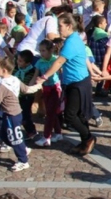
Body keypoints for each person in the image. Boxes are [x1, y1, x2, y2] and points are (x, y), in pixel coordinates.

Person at [35, 13, 96, 155]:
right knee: (78, 116)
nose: (58, 29)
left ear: (69, 26)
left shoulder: (72, 41)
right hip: (72, 82)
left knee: (70, 116)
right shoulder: (72, 39)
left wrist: (44, 76)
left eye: (60, 26)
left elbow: (59, 61)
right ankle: (84, 141)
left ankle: (88, 138)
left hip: (78, 83)